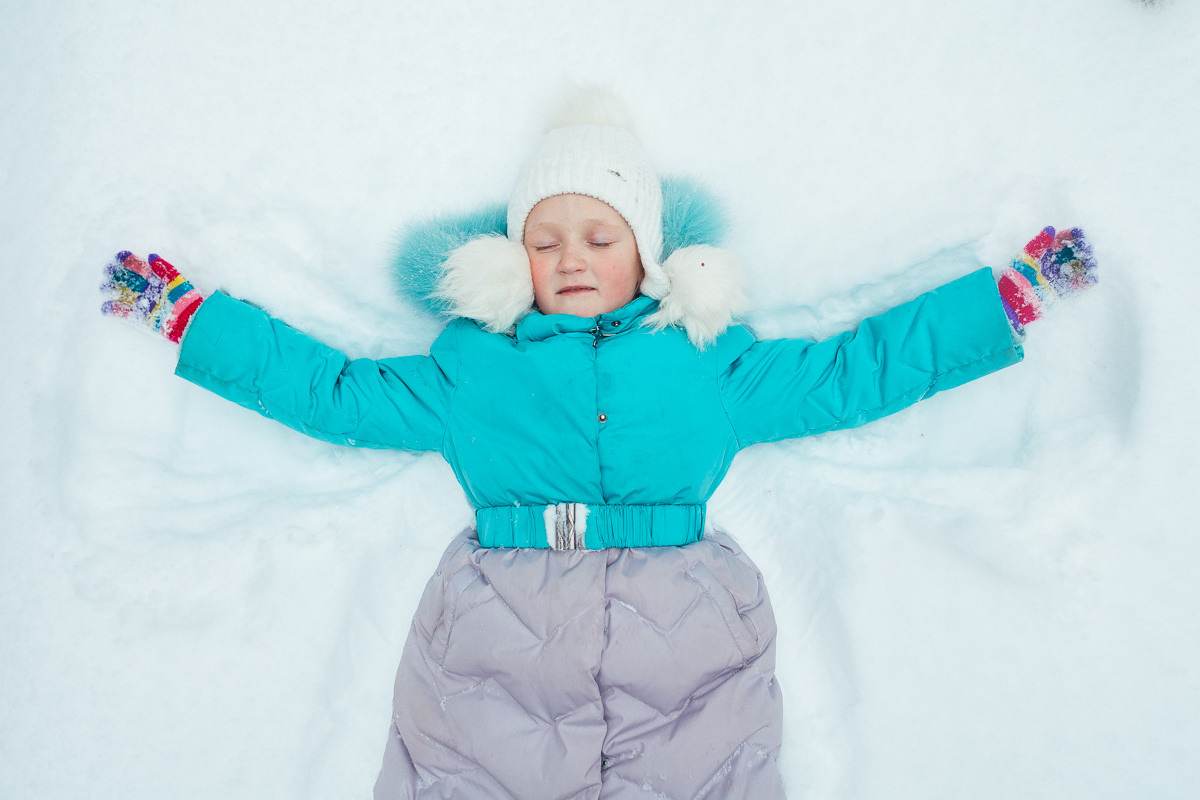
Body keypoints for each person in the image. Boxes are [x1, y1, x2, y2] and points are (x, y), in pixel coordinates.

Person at [100, 89, 1097, 799]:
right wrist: (193, 318)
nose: (571, 256)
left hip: (688, 619)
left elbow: (853, 371)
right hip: (502, 619)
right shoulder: (471, 370)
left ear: (648, 252)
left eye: (600, 234)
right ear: (513, 258)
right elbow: (336, 393)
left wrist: (1000, 304)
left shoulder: (706, 361)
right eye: (545, 238)